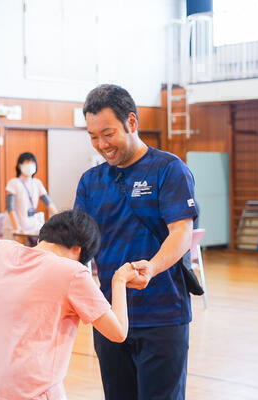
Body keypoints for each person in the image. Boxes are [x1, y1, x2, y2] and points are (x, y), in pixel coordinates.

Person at [74, 84, 199, 400]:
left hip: (163, 315)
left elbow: (181, 232)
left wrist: (152, 267)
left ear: (131, 122)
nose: (101, 144)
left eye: (108, 133)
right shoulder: (90, 182)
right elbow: (76, 245)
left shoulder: (168, 169)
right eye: (93, 136)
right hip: (110, 317)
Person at [0, 209, 141, 400]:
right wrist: (120, 280)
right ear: (78, 250)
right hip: (33, 393)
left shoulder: (1, 250)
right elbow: (118, 332)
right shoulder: (72, 272)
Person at [4, 152, 58, 241]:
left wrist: (61, 220)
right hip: (14, 229)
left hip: (31, 228)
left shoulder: (37, 183)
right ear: (19, 165)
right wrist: (17, 229)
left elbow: (49, 203)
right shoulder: (13, 183)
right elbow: (10, 209)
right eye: (27, 162)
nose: (30, 165)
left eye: (33, 162)